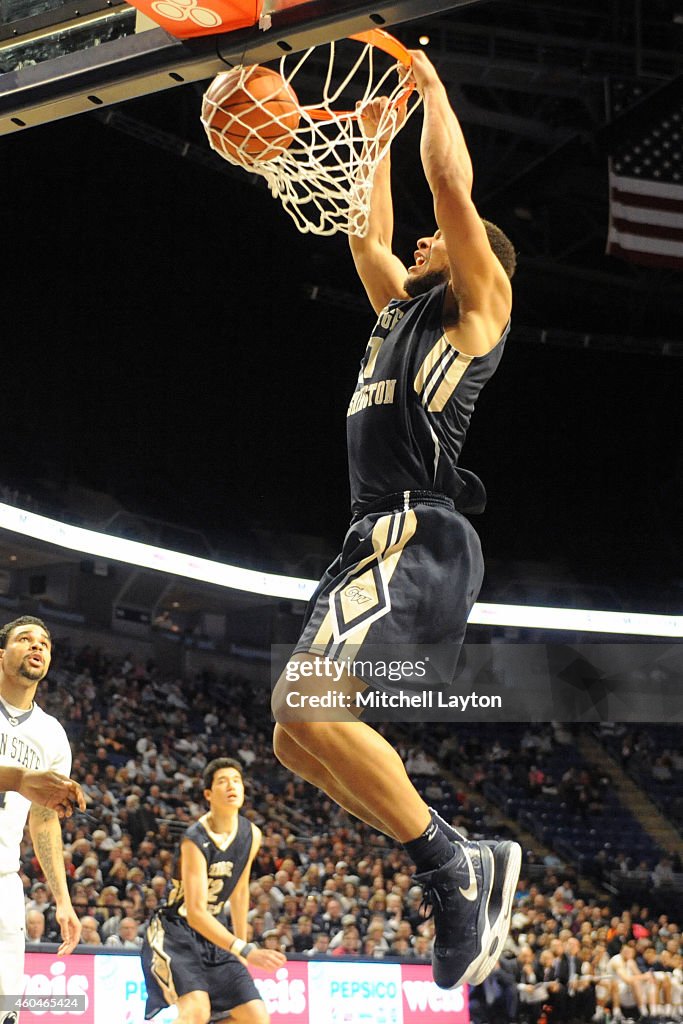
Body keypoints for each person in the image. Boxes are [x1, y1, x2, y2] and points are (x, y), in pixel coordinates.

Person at [272, 50, 520, 992]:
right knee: (294, 736)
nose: (417, 246)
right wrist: (368, 138)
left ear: (470, 259)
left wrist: (429, 89)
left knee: (305, 705)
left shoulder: (476, 309)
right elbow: (363, 233)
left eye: (438, 244)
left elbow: (449, 183)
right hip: (370, 535)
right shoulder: (398, 317)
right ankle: (462, 859)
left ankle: (452, 865)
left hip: (416, 532)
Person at [141, 758, 286, 1024]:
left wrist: (241, 945)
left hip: (214, 933)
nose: (231, 785)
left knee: (255, 1017)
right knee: (196, 1012)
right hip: (175, 930)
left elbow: (240, 890)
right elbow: (195, 913)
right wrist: (244, 949)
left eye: (236, 780)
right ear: (208, 794)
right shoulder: (195, 839)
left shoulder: (251, 834)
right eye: (222, 781)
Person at [0, 616, 85, 1024]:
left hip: (3, 881)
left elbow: (45, 821)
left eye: (45, 644)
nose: (37, 647)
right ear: (1, 654)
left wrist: (63, 901)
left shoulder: (52, 735)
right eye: (24, 639)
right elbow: (22, 783)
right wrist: (18, 778)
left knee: (5, 1011)